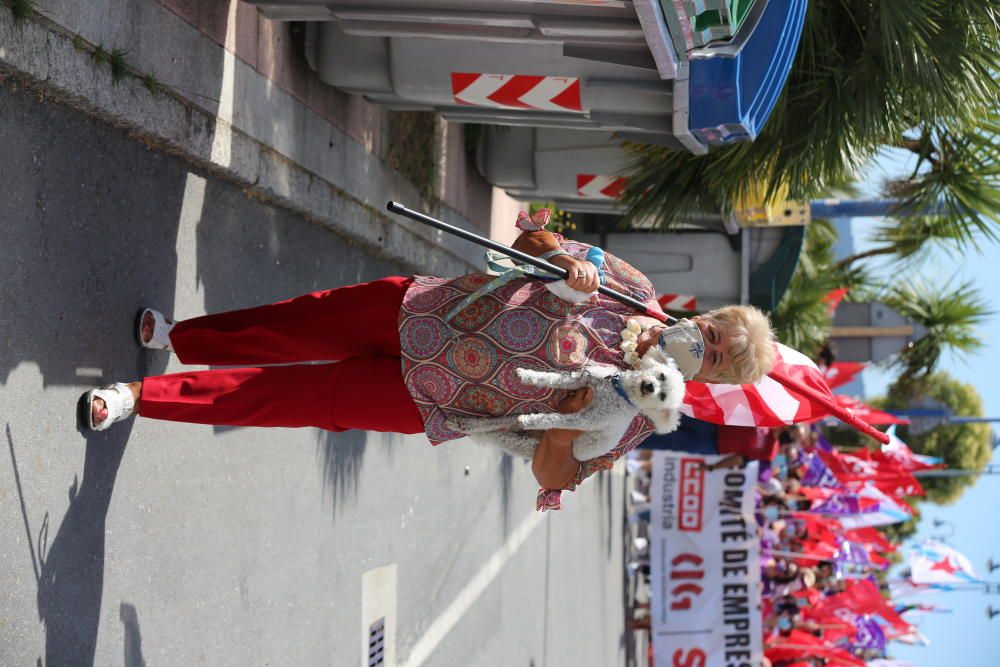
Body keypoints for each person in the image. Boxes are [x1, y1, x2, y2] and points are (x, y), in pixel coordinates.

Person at [80, 209, 776, 508]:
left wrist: (569, 422)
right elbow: (528, 241)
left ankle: (144, 399)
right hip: (428, 309)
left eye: (716, 359)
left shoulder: (637, 424)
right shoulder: (634, 288)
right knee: (294, 323)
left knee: (285, 402)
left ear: (709, 379)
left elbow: (551, 474)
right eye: (715, 333)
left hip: (436, 400)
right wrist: (562, 260)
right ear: (706, 315)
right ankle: (182, 340)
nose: (706, 347)